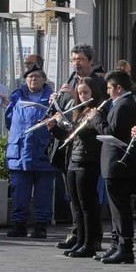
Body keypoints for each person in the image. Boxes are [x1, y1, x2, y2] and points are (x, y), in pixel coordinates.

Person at [48, 76, 108, 259]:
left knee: (87, 204)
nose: (82, 96)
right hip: (73, 160)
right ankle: (80, 241)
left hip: (88, 162)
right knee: (76, 205)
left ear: (94, 93)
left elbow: (102, 133)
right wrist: (54, 128)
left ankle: (90, 243)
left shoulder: (98, 111)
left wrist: (94, 118)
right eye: (80, 93)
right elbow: (70, 136)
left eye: (86, 93)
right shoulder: (80, 111)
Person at [90, 70, 136, 264]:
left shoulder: (124, 105)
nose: (108, 92)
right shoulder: (118, 104)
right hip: (111, 162)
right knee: (115, 207)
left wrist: (96, 119)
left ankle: (125, 247)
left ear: (119, 88)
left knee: (120, 208)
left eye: (110, 88)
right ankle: (116, 243)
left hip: (118, 163)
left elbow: (111, 131)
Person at [54, 44, 98, 252]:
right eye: (73, 59)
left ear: (90, 61)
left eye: (80, 59)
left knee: (86, 200)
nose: (76, 63)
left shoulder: (98, 80)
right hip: (72, 148)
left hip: (87, 153)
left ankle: (90, 238)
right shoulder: (71, 79)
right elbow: (69, 113)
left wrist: (73, 96)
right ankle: (78, 234)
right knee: (75, 199)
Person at [5, 65, 55, 239]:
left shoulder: (52, 99)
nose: (33, 79)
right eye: (30, 77)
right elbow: (9, 121)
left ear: (44, 80)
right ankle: (18, 225)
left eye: (36, 76)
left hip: (43, 153)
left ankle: (41, 226)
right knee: (19, 192)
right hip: (19, 152)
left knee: (43, 193)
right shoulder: (16, 97)